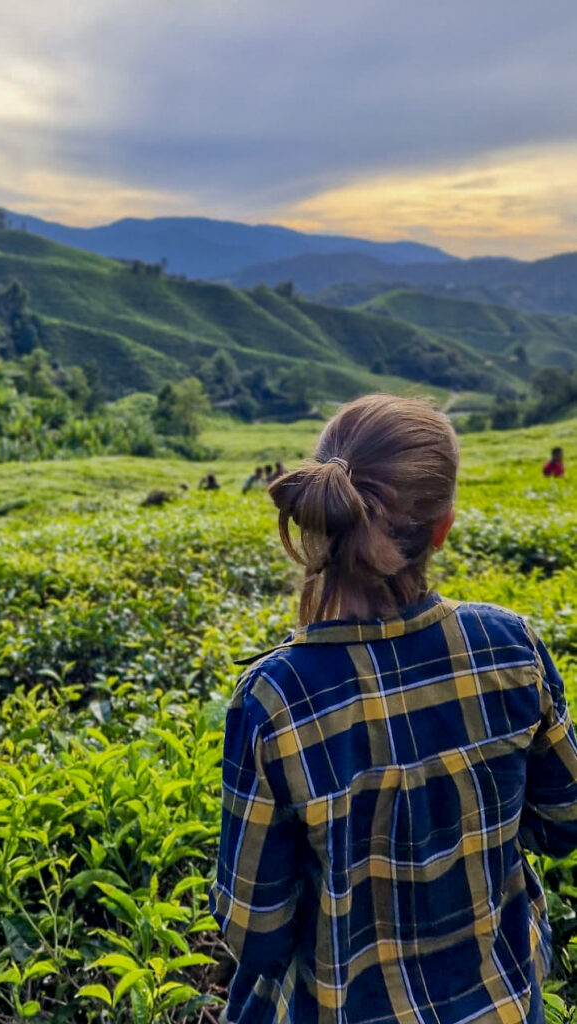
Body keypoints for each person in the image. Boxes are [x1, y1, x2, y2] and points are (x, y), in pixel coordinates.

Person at [211, 394, 577, 1024]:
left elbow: (255, 931)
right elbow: (564, 821)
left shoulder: (276, 697)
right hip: (503, 1003)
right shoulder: (511, 647)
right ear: (443, 527)